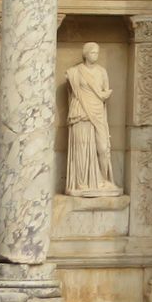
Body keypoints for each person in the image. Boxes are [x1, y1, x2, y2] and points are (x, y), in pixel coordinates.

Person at [65, 42, 121, 196]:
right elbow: (71, 87)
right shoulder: (75, 72)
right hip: (81, 112)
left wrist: (105, 95)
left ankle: (103, 179)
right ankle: (82, 182)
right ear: (85, 54)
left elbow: (103, 92)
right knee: (82, 148)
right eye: (92, 52)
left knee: (103, 148)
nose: (95, 55)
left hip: (97, 113)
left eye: (97, 53)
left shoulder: (102, 72)